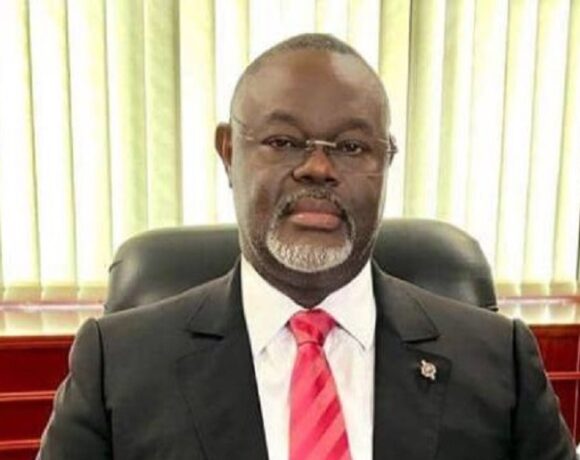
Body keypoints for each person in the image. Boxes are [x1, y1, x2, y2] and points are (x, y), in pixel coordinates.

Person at [37, 33, 574, 460]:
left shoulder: (498, 361)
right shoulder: (119, 365)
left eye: (351, 146)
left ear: (386, 161)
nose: (318, 167)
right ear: (229, 153)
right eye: (283, 142)